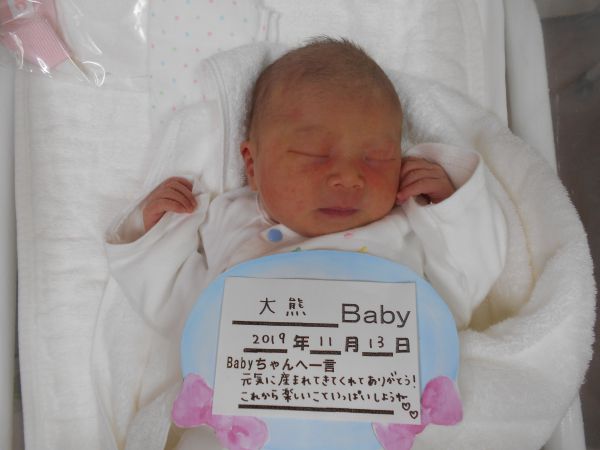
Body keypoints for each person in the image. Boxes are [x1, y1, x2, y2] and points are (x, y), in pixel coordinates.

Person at [105, 37, 506, 447]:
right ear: (252, 165)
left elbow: (469, 278)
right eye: (314, 154)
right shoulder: (234, 222)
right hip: (252, 427)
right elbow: (178, 305)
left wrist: (449, 206)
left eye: (377, 157)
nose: (349, 177)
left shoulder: (404, 225)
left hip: (381, 425)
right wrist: (156, 233)